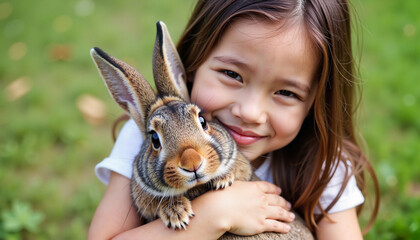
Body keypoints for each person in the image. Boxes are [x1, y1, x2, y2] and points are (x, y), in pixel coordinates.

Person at [88, 0, 379, 239]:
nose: (250, 112)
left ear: (315, 102)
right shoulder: (143, 138)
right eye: (232, 75)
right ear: (192, 66)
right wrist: (214, 214)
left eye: (286, 92)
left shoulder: (324, 165)